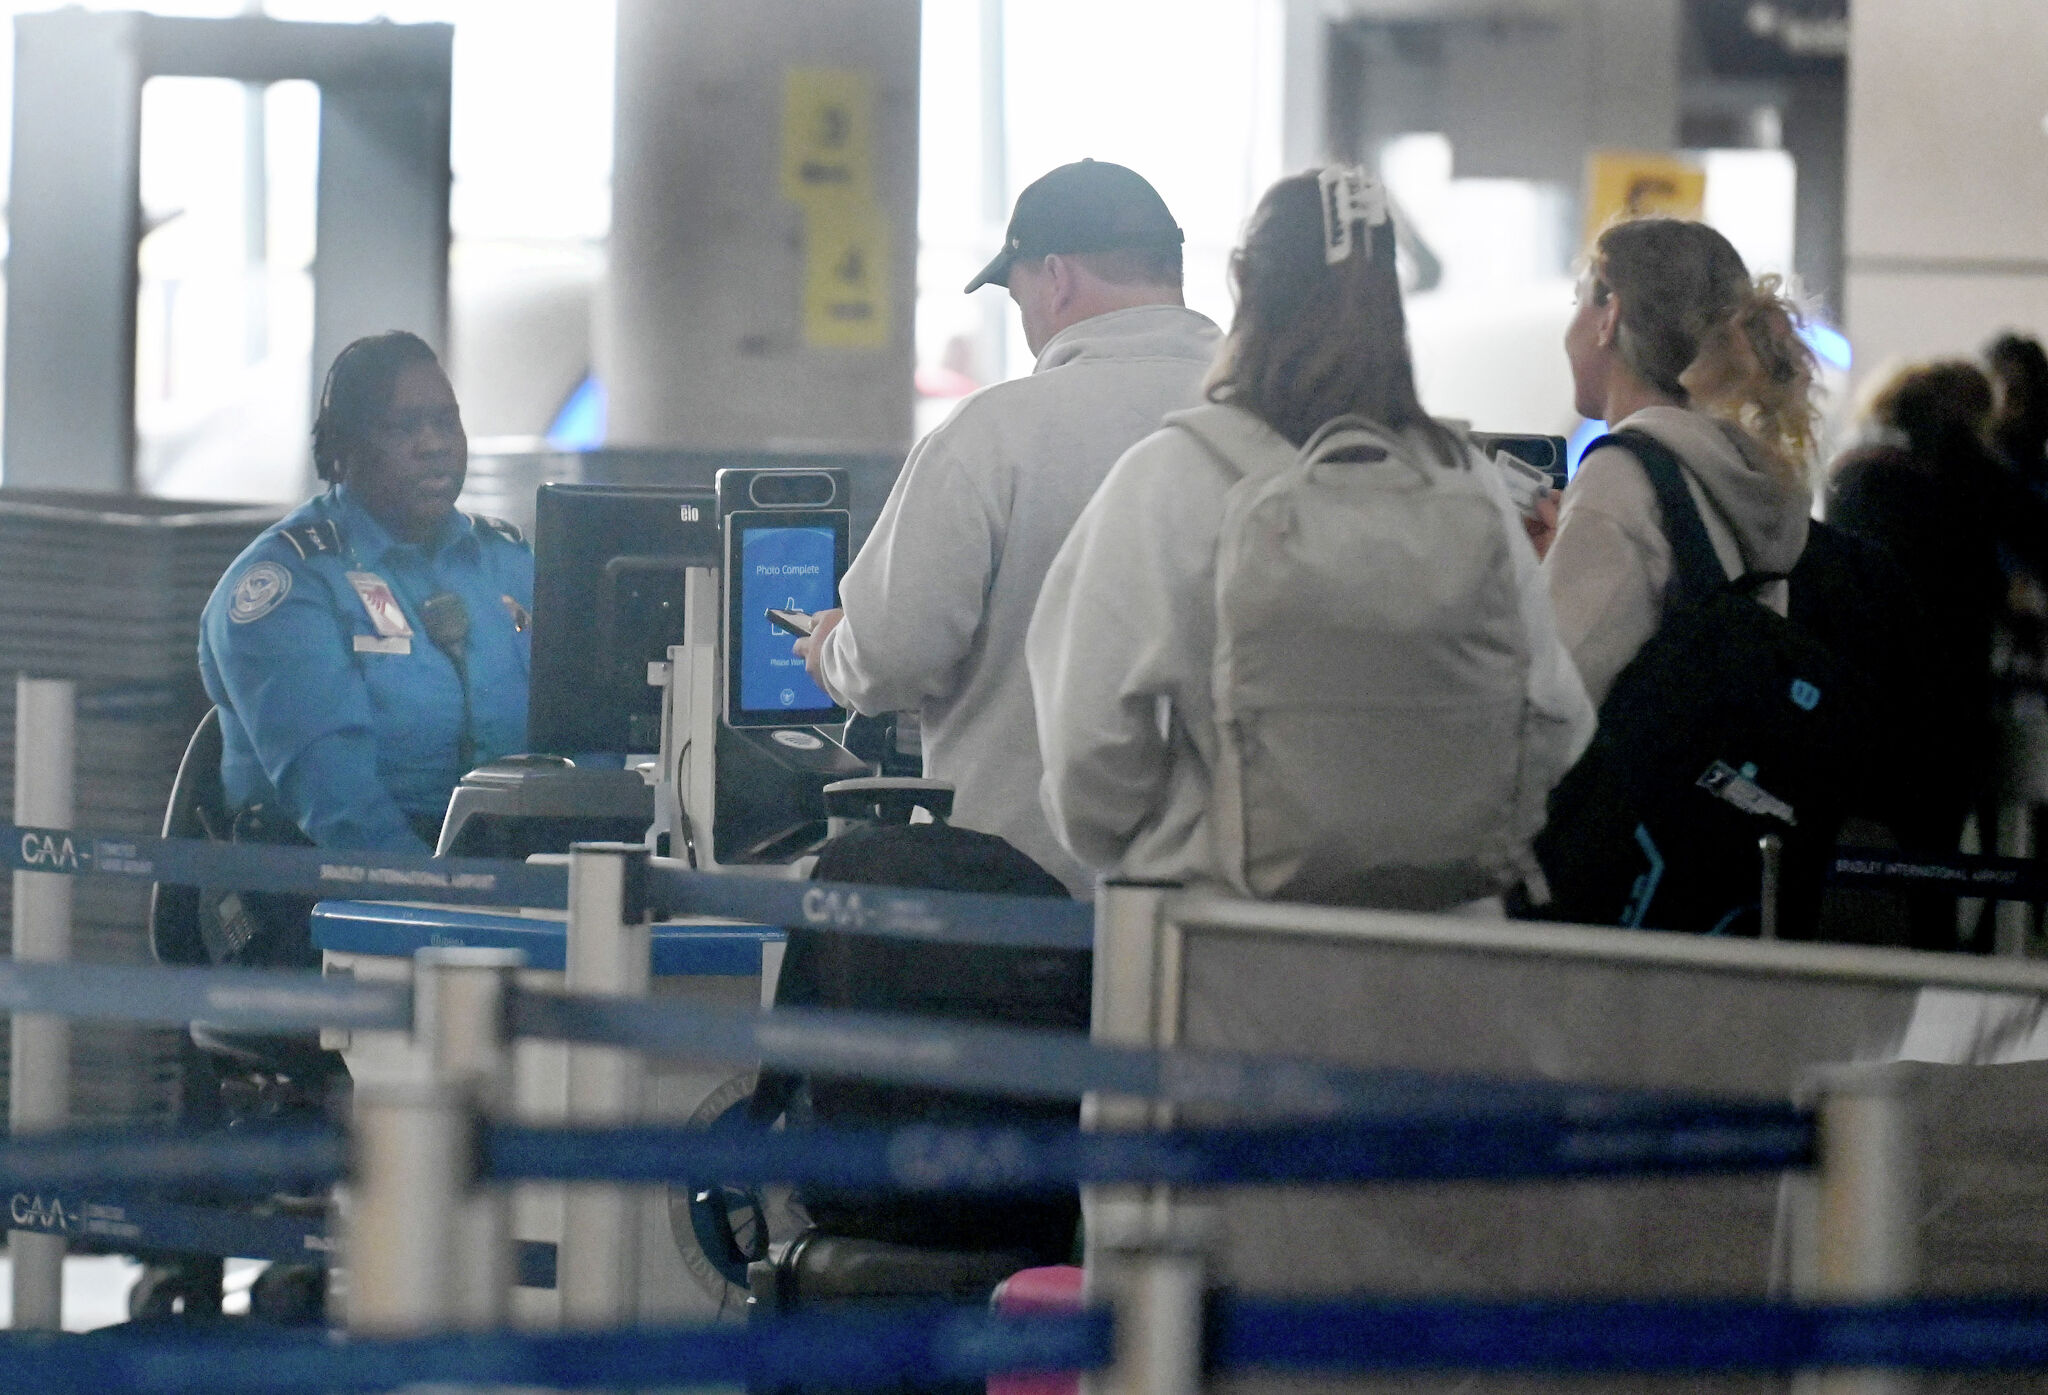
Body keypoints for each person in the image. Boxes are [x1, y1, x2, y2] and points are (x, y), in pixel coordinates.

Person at [1026, 167, 1593, 903]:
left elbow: (1088, 749)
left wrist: (1170, 835)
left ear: (1242, 285)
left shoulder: (1172, 479)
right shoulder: (1466, 485)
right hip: (1444, 950)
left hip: (1226, 943)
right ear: (1392, 297)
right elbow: (1557, 719)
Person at [794, 160, 1220, 895]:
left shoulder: (997, 435)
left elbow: (895, 652)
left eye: (1018, 294)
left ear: (1055, 278)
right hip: (1231, 915)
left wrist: (834, 647)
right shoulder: (1270, 426)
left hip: (1026, 909)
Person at [199, 331, 533, 874]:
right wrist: (453, 900)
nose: (433, 444)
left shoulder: (508, 561)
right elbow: (340, 806)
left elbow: (585, 746)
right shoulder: (291, 584)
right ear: (343, 449)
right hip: (334, 894)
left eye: (446, 421)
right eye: (403, 427)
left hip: (515, 876)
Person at [1539, 218, 1816, 707]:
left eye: (1577, 304)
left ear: (1610, 316)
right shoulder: (1741, 467)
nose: (1567, 333)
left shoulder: (1622, 474)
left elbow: (1553, 698)